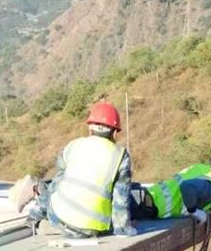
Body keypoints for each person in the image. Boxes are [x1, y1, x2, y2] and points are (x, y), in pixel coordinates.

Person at [11, 101, 136, 237]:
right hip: (92, 229)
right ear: (115, 133)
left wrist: (35, 214)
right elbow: (120, 202)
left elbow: (55, 187)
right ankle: (37, 194)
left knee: (59, 184)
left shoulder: (72, 146)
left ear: (90, 128)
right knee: (130, 201)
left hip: (57, 216)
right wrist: (124, 230)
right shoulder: (121, 156)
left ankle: (36, 189)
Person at [129, 148, 211, 227]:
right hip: (144, 204)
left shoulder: (203, 169)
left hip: (145, 194)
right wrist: (195, 211)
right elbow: (188, 187)